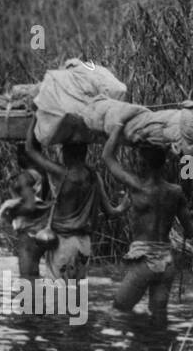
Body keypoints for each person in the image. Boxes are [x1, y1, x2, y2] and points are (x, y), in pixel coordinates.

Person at [102, 124, 191, 324]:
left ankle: (137, 341)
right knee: (159, 317)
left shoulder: (137, 187)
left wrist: (118, 126)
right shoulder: (176, 192)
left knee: (118, 311)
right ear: (164, 163)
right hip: (167, 264)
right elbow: (190, 230)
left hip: (144, 263)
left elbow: (108, 157)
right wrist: (183, 156)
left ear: (142, 162)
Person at [23, 119, 126, 280]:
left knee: (57, 298)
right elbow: (112, 212)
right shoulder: (94, 176)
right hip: (84, 245)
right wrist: (126, 203)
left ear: (67, 153)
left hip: (63, 244)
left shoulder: (61, 173)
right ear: (84, 153)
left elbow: (30, 150)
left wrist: (35, 116)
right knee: (75, 298)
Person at [0, 168, 56, 279]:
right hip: (45, 230)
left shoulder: (25, 177)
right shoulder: (43, 174)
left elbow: (29, 206)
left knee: (27, 278)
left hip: (29, 233)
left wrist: (10, 214)